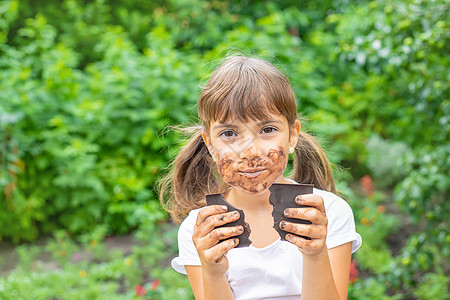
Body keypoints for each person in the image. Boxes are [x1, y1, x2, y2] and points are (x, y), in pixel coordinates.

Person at [159, 55, 362, 300]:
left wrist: (314, 254)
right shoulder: (201, 230)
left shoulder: (329, 214)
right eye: (229, 133)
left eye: (267, 130)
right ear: (209, 143)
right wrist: (212, 272)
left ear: (292, 135)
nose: (250, 152)